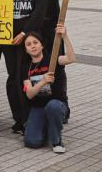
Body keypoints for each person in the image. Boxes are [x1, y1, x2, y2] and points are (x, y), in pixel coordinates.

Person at [0, 0, 51, 134]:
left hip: (29, 35)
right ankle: (18, 118)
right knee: (13, 75)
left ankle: (32, 115)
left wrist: (24, 34)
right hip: (8, 34)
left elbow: (40, 10)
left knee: (27, 75)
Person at [22, 23, 76, 153]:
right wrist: (42, 82)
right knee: (31, 142)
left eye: (35, 42)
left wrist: (65, 37)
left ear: (42, 45)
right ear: (26, 50)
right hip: (38, 107)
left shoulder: (52, 60)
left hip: (57, 105)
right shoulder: (25, 68)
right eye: (28, 44)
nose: (33, 46)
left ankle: (57, 141)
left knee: (53, 106)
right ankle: (45, 127)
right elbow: (29, 94)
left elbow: (71, 58)